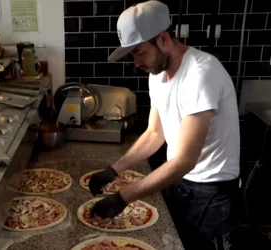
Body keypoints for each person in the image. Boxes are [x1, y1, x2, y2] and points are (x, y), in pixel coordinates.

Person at [87, 1, 241, 250]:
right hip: (179, 184)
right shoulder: (156, 75)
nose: (135, 61)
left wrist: (123, 197)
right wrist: (114, 170)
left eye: (138, 51)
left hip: (212, 198)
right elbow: (154, 134)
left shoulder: (201, 73)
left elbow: (185, 161)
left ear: (163, 39)